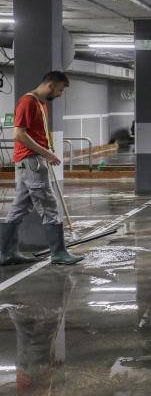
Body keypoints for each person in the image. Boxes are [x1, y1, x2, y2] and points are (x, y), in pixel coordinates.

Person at [0, 71, 83, 266]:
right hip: (32, 162)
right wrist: (47, 153)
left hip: (30, 161)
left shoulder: (40, 103)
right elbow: (19, 135)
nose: (61, 94)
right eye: (60, 90)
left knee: (19, 207)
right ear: (51, 85)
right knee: (49, 205)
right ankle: (59, 253)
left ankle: (6, 253)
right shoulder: (27, 102)